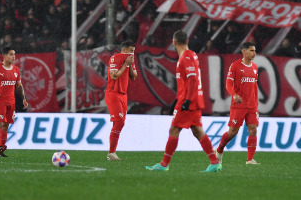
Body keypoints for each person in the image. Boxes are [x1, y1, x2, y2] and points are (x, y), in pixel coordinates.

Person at [146, 30, 222, 172]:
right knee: (198, 131)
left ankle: (164, 164)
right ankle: (214, 161)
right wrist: (177, 100)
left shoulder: (186, 57)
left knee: (174, 129)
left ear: (174, 43)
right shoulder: (192, 55)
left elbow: (192, 79)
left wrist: (187, 100)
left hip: (189, 100)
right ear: (187, 41)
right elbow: (188, 81)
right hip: (193, 99)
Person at [215, 42, 260, 165]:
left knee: (253, 129)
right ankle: (219, 150)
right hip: (238, 105)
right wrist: (234, 94)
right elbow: (228, 84)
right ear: (244, 51)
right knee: (233, 132)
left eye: (255, 50)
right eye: (251, 50)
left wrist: (256, 102)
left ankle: (250, 159)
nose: (254, 53)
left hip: (251, 105)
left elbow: (254, 86)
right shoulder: (234, 66)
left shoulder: (255, 67)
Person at [105, 40, 137, 160]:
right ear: (124, 50)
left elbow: (134, 77)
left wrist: (129, 65)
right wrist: (125, 65)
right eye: (131, 51)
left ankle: (112, 153)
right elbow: (114, 76)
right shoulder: (115, 58)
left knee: (119, 123)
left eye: (134, 51)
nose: (133, 54)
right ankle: (111, 153)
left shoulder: (130, 60)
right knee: (120, 122)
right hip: (113, 93)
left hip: (123, 95)